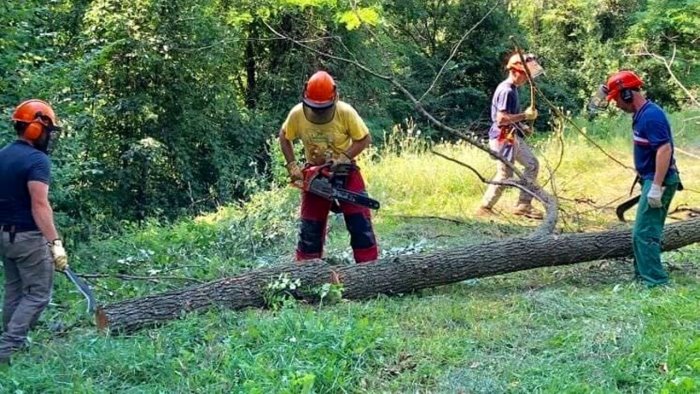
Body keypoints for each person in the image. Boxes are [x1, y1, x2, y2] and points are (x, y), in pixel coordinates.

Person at [279, 71, 378, 264]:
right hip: (315, 174)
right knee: (310, 228)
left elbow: (364, 138)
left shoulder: (345, 112)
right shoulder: (297, 114)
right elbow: (284, 137)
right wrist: (292, 166)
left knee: (360, 223)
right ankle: (307, 269)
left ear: (334, 96)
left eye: (323, 107)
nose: (318, 111)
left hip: (345, 171)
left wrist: (344, 157)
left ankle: (369, 267)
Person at [0, 99, 68, 365]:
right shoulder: (37, 160)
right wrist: (55, 243)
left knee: (15, 288)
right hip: (27, 237)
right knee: (38, 293)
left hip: (3, 235)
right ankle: (8, 348)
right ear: (35, 129)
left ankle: (9, 337)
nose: (48, 137)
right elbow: (40, 205)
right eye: (47, 130)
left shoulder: (2, 154)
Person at [603, 70, 681, 287]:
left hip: (661, 181)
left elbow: (664, 150)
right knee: (641, 232)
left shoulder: (651, 116)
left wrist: (656, 186)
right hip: (651, 178)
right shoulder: (642, 114)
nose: (617, 104)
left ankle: (655, 282)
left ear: (627, 94)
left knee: (645, 233)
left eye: (617, 98)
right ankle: (643, 276)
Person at [476, 53, 543, 220]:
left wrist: (522, 126)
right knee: (505, 175)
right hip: (503, 138)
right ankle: (485, 207)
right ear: (514, 71)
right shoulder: (506, 90)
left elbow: (510, 117)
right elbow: (501, 119)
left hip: (512, 136)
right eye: (525, 75)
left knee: (532, 164)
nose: (527, 79)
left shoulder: (513, 89)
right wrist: (525, 116)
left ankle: (523, 205)